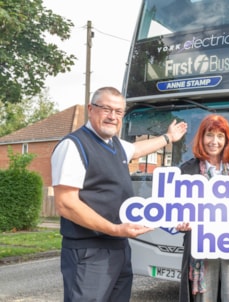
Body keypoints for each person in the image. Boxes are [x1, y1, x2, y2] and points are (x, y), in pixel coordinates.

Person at [51, 86, 187, 302]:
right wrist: (115, 229)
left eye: (118, 111)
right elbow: (66, 204)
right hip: (90, 251)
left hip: (119, 247)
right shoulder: (73, 146)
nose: (112, 116)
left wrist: (168, 138)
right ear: (90, 109)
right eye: (106, 109)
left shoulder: (115, 144)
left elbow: (137, 149)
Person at [176, 114, 229, 302]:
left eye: (220, 136)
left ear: (227, 140)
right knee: (203, 298)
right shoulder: (187, 170)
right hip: (201, 249)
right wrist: (179, 223)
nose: (214, 141)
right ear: (201, 137)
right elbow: (178, 209)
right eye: (209, 135)